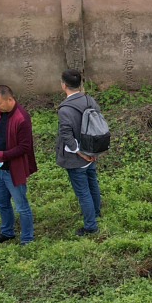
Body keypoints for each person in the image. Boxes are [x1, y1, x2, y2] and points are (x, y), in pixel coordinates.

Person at [0, 83, 36, 244]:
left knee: (21, 205)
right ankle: (7, 232)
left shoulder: (22, 118)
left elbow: (24, 147)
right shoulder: (1, 113)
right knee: (1, 201)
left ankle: (27, 238)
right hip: (0, 167)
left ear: (10, 99)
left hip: (14, 169)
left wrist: (1, 154)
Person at [54, 69, 103, 236]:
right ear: (80, 84)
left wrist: (79, 151)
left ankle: (90, 225)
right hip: (91, 152)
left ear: (63, 85)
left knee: (83, 192)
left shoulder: (65, 109)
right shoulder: (90, 100)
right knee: (92, 184)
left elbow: (66, 135)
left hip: (76, 157)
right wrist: (93, 150)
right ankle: (95, 212)